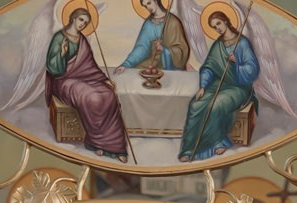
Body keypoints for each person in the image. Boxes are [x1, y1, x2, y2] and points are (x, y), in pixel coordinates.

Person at [46, 2, 130, 161]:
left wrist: (105, 80)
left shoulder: (82, 40)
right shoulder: (59, 37)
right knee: (92, 97)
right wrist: (62, 55)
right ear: (73, 18)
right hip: (63, 80)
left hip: (84, 77)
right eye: (81, 20)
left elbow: (90, 66)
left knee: (108, 94)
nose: (82, 24)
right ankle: (97, 142)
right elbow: (53, 69)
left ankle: (114, 146)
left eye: (85, 23)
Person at [179, 4, 259, 162]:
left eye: (219, 24)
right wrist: (203, 86)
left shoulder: (242, 43)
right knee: (196, 104)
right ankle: (189, 149)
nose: (218, 28)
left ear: (226, 21)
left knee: (217, 105)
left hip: (239, 87)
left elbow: (253, 70)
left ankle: (217, 142)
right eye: (214, 27)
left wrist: (237, 63)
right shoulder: (218, 45)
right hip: (218, 84)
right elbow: (209, 67)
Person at [120, 0, 191, 74]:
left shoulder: (173, 22)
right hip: (152, 62)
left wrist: (164, 50)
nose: (148, 7)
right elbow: (141, 47)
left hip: (169, 65)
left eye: (149, 3)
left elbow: (182, 49)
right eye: (145, 6)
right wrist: (127, 64)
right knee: (137, 72)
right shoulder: (148, 24)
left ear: (156, 1)